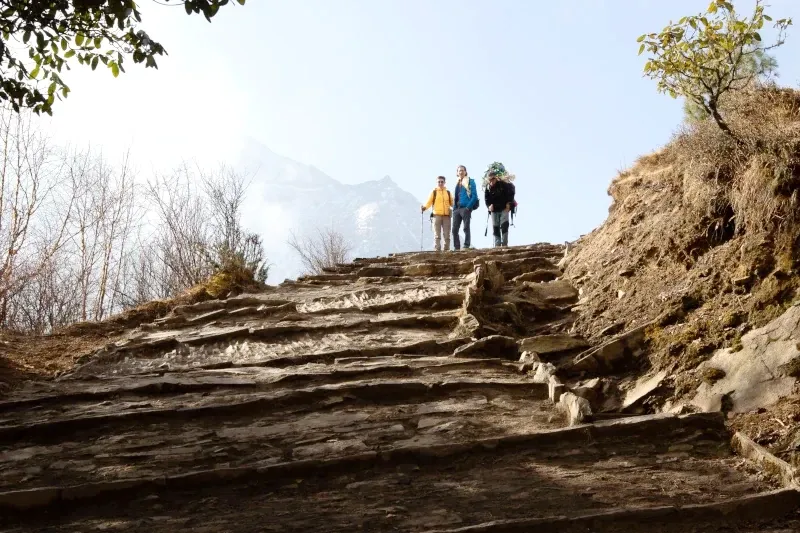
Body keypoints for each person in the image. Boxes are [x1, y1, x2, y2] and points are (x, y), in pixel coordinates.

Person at [483, 162, 516, 247]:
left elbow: (510, 194)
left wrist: (509, 204)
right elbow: (486, 200)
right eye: (490, 179)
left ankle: (504, 244)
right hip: (494, 210)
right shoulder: (487, 188)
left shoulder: (503, 185)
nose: (491, 181)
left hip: (504, 208)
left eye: (493, 179)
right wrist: (488, 206)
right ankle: (497, 245)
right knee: (496, 227)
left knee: (504, 225)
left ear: (496, 178)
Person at [421, 175, 454, 252]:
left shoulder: (448, 193)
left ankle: (446, 250)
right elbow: (429, 202)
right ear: (437, 183)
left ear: (444, 182)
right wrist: (424, 208)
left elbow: (452, 203)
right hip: (436, 215)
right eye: (439, 182)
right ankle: (437, 250)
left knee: (447, 234)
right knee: (437, 234)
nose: (440, 183)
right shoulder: (434, 192)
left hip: (446, 216)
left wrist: (457, 206)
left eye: (442, 182)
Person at [452, 165, 478, 250]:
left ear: (465, 172)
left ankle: (466, 245)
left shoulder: (470, 181)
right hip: (456, 208)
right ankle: (457, 247)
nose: (461, 172)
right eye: (459, 171)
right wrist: (454, 208)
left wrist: (468, 207)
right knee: (454, 229)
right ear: (457, 173)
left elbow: (474, 196)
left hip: (465, 208)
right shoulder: (457, 183)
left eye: (462, 170)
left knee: (466, 227)